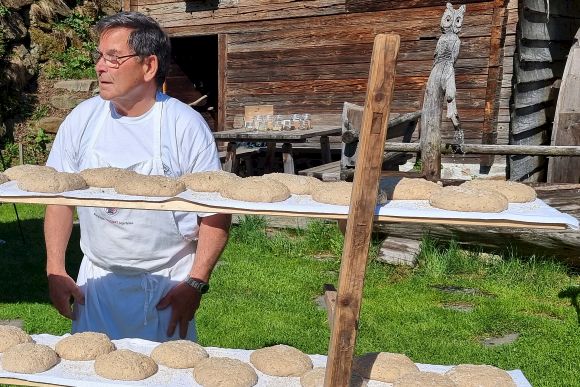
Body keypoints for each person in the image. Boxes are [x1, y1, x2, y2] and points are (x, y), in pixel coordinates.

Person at [44, 11, 231, 342]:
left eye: (114, 58)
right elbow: (60, 199)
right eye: (99, 56)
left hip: (166, 288)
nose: (100, 66)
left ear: (149, 67)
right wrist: (56, 268)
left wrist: (195, 283)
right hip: (95, 286)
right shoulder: (83, 119)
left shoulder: (183, 126)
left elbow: (215, 212)